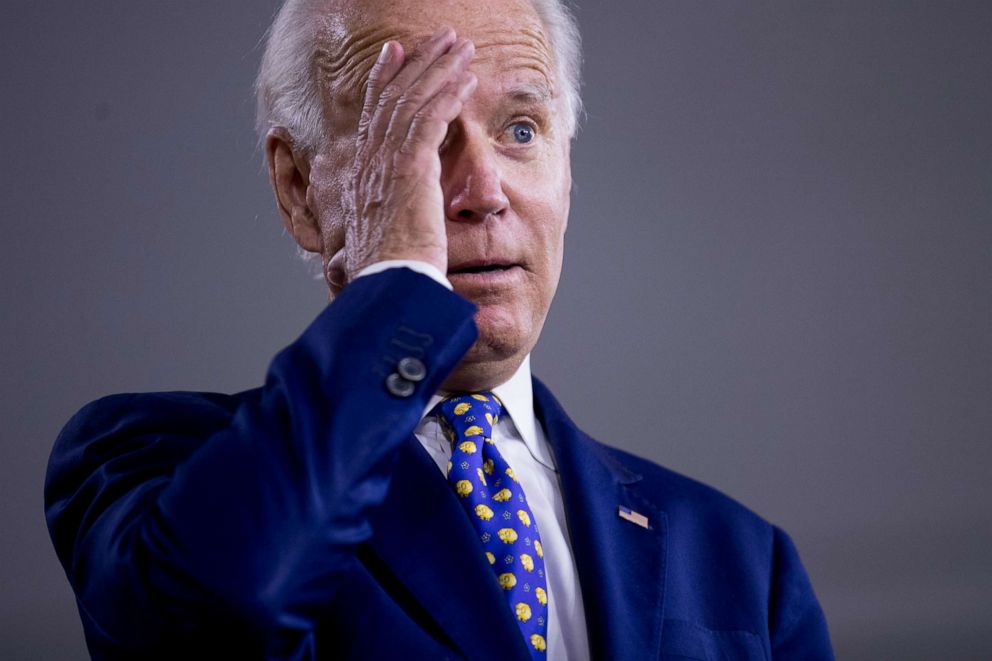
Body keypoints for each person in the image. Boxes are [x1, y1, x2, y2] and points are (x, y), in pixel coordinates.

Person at [44, 0, 833, 658]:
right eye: (418, 133)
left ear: (568, 168)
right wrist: (399, 277)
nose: (484, 189)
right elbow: (222, 607)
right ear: (297, 188)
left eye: (521, 130)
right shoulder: (147, 461)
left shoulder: (740, 561)